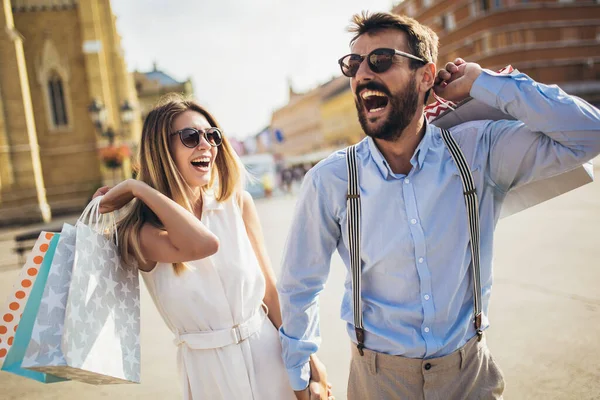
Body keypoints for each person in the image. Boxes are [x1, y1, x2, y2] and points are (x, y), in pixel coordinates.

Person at [277, 11, 600, 400]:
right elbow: (300, 284)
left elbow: (589, 134)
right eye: (354, 64)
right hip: (378, 382)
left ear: (426, 76)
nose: (362, 74)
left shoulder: (479, 150)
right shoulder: (330, 179)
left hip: (469, 376)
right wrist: (300, 368)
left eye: (380, 60)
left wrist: (484, 83)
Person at [92, 94, 331, 399]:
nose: (205, 145)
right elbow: (202, 244)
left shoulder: (237, 203)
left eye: (212, 136)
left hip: (270, 355)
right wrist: (139, 188)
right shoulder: (140, 233)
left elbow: (271, 293)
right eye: (191, 137)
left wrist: (308, 362)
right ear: (162, 151)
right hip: (210, 376)